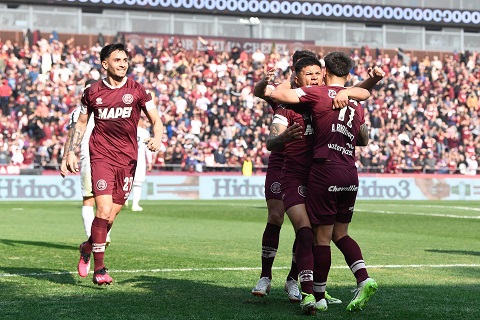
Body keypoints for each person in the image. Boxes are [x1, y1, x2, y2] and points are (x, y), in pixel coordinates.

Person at [268, 51, 378, 313]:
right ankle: (364, 279)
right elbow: (363, 135)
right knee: (340, 234)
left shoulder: (318, 94)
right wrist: (359, 87)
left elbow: (274, 94)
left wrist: (287, 81)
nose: (316, 77)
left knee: (319, 237)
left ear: (326, 72)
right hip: (350, 172)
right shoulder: (357, 102)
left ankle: (314, 295)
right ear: (348, 75)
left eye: (319, 72)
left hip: (323, 170)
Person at [61, 43, 163, 285]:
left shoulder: (138, 90)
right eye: (118, 60)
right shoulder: (92, 92)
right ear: (105, 64)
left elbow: (156, 120)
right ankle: (100, 270)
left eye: (125, 59)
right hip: (101, 156)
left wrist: (157, 137)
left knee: (109, 219)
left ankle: (86, 247)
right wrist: (69, 152)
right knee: (103, 211)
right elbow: (81, 124)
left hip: (128, 159)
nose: (123, 63)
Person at [251, 50, 317, 302]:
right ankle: (265, 276)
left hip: (308, 165)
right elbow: (260, 91)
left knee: (305, 225)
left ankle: (292, 279)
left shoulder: (317, 92)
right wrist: (265, 81)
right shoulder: (284, 91)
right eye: (303, 69)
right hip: (281, 161)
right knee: (275, 216)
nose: (311, 76)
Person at [62, 78, 111, 245]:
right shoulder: (79, 112)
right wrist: (67, 157)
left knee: (105, 201)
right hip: (89, 157)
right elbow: (72, 135)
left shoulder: (106, 108)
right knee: (91, 199)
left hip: (108, 157)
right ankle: (96, 237)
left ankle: (99, 236)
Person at [130, 116, 154, 212]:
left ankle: (123, 201)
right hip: (139, 160)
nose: (144, 122)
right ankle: (135, 205)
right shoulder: (144, 132)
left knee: (125, 180)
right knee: (138, 183)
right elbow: (148, 148)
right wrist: (150, 161)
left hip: (127, 159)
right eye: (143, 120)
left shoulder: (128, 129)